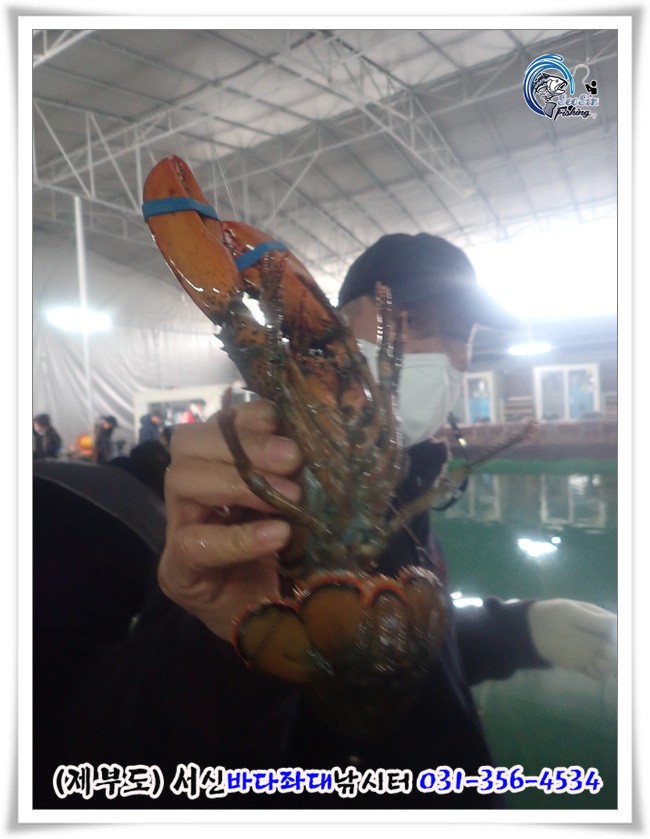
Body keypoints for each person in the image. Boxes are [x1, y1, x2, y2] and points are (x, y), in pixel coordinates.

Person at [53, 233, 615, 811]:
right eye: (412, 321)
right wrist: (216, 639)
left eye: (460, 334)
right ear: (339, 326)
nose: (440, 352)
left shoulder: (415, 474)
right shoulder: (206, 499)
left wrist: (515, 630)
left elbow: (405, 645)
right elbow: (101, 763)